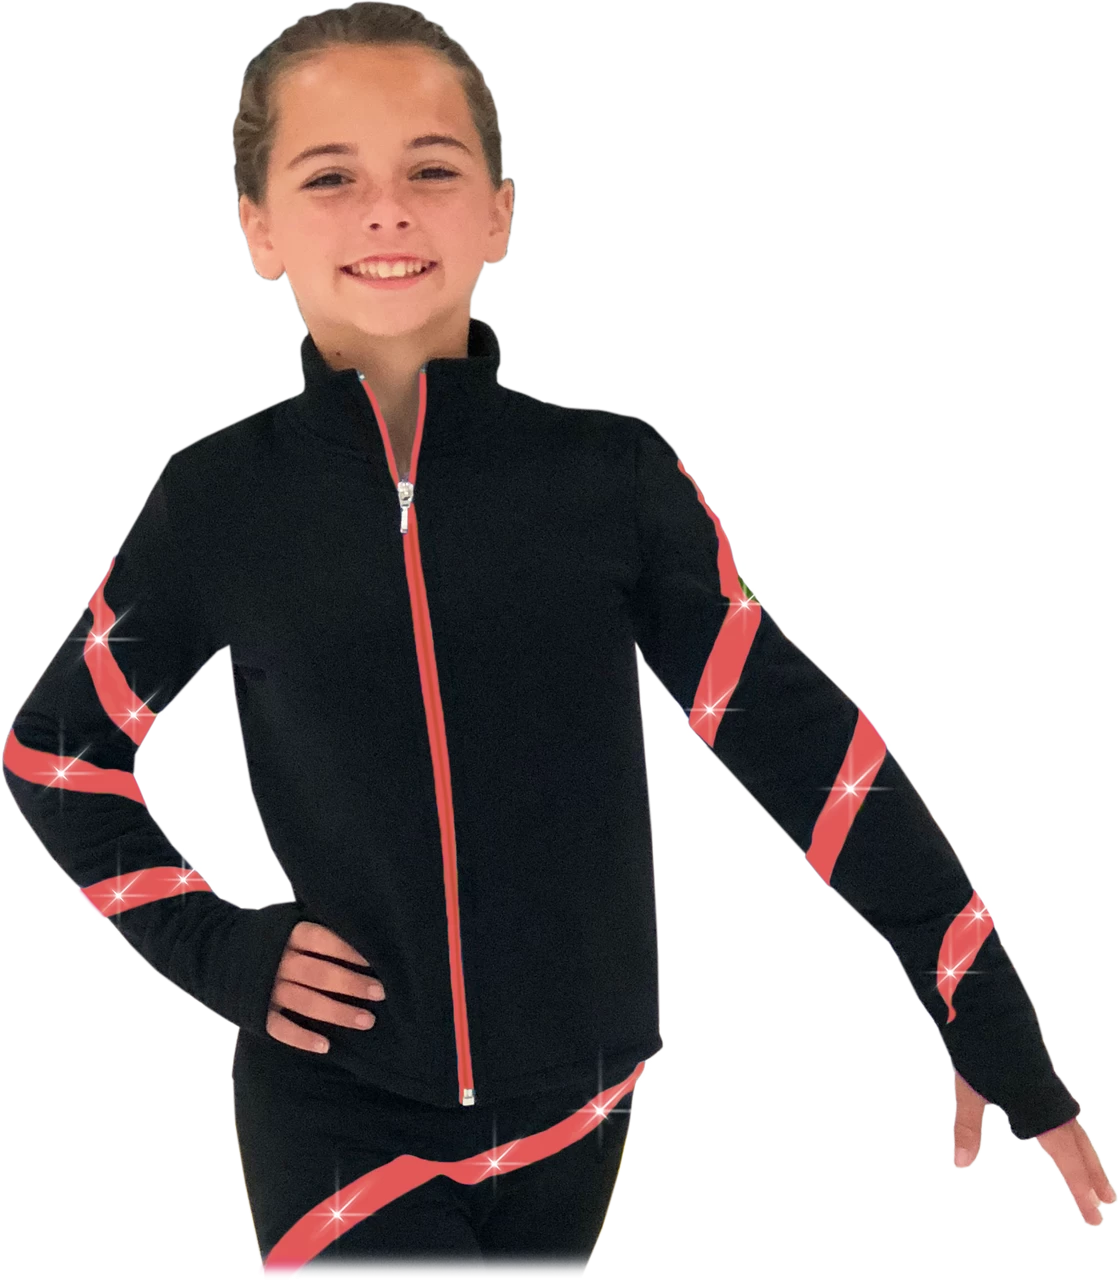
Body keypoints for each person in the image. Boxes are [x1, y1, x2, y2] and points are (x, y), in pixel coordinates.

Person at [3, 2, 1114, 1277]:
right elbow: (57, 753)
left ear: (501, 213)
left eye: (431, 170)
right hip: (338, 1105)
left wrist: (978, 1000)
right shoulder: (218, 501)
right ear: (258, 228)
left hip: (576, 1107)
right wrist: (218, 947)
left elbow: (805, 747)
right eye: (330, 178)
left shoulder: (609, 478)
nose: (386, 212)